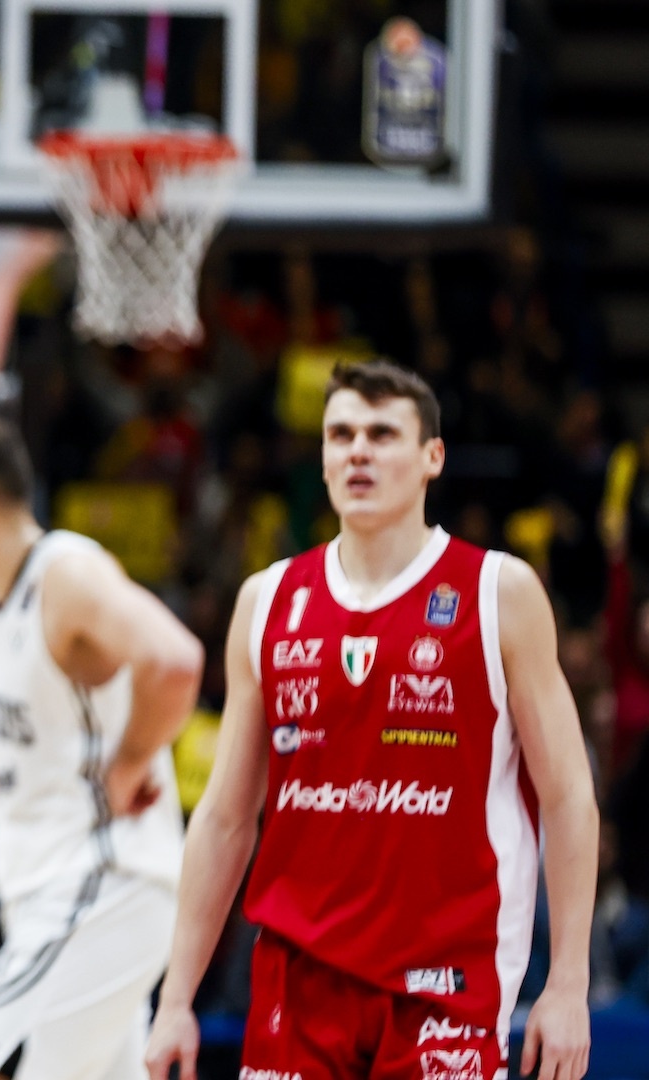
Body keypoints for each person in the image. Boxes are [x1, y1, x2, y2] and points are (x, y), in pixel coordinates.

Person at [144, 361, 598, 1080]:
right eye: (341, 434)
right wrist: (176, 998)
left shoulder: (498, 592)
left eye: (383, 434)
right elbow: (228, 817)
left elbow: (570, 795)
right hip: (297, 981)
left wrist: (568, 983)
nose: (358, 450)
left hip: (446, 987)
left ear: (431, 458)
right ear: (321, 457)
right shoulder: (266, 602)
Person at [0, 413, 202, 1080]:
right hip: (66, 904)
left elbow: (176, 660)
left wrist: (130, 761)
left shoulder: (64, 574)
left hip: (97, 889)